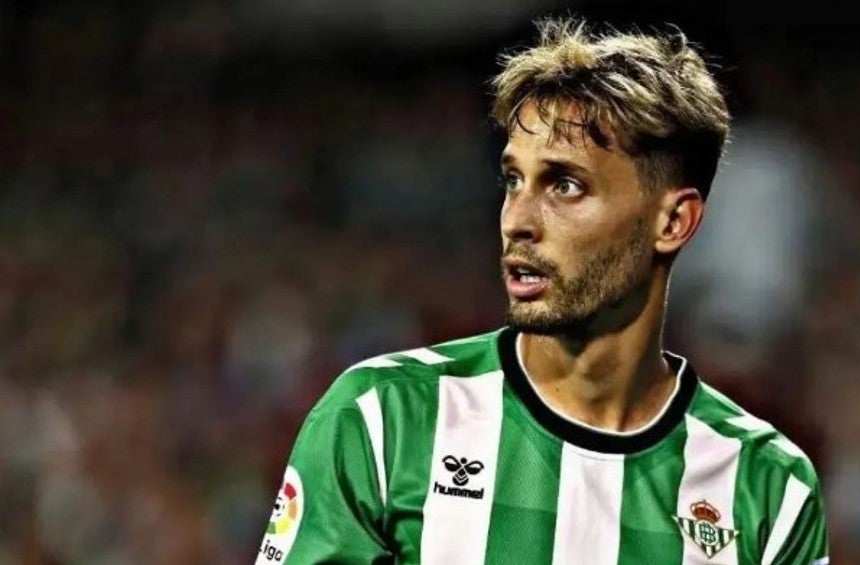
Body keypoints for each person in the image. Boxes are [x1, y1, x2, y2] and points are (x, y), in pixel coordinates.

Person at [256, 16, 829, 565]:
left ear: (673, 221)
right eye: (514, 180)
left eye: (566, 185)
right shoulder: (385, 417)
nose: (518, 220)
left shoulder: (767, 487)